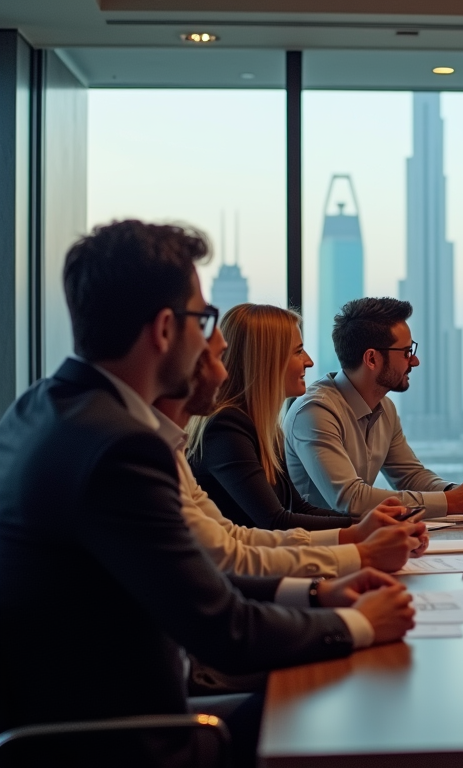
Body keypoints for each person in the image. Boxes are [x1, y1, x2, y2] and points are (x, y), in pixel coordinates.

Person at [0, 221, 415, 766]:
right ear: (165, 329)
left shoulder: (42, 408)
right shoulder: (120, 448)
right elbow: (223, 630)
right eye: (204, 320)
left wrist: (316, 595)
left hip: (97, 715)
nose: (214, 341)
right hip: (131, 742)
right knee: (358, 708)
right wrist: (360, 622)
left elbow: (197, 577)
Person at [155, 328, 427, 578]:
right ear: (266, 362)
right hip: (249, 580)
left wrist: (366, 525)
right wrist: (359, 537)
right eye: (298, 351)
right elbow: (272, 522)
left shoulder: (265, 427)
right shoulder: (227, 427)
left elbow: (295, 508)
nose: (309, 361)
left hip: (264, 571)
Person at [284, 297, 463, 518]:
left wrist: (460, 492)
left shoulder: (384, 407)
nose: (415, 361)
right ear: (372, 359)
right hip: (318, 546)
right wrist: (452, 501)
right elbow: (350, 498)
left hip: (359, 540)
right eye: (407, 352)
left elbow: (410, 476)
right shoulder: (315, 412)